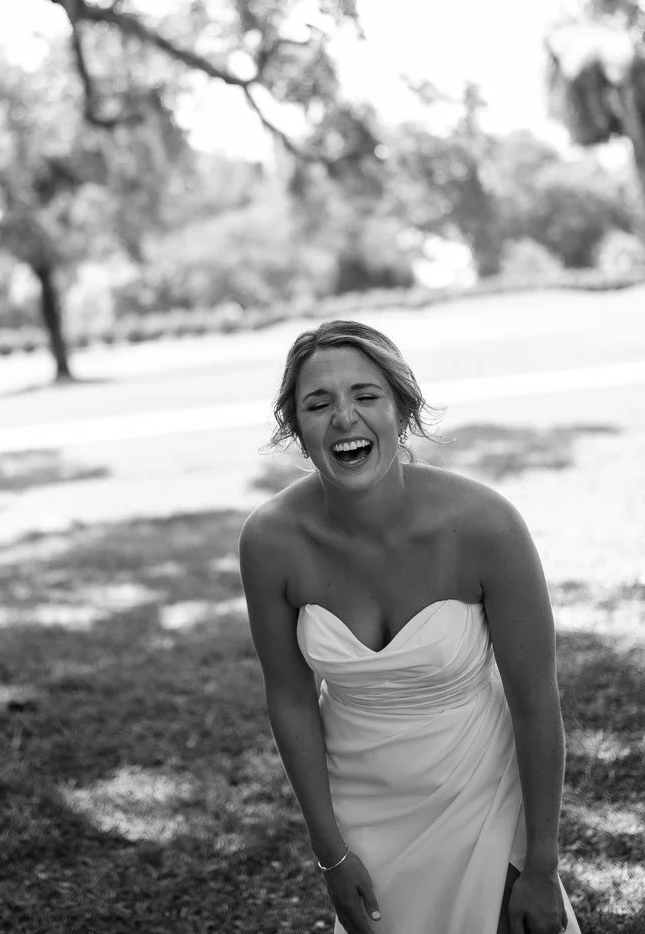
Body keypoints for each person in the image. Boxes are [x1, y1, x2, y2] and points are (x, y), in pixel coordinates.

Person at [238, 319, 582, 934]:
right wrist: (330, 852)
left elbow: (536, 704)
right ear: (295, 427)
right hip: (363, 816)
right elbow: (290, 700)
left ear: (402, 407)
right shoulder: (270, 541)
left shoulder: (486, 526)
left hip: (483, 797)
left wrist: (542, 864)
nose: (345, 418)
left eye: (366, 396)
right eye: (319, 403)